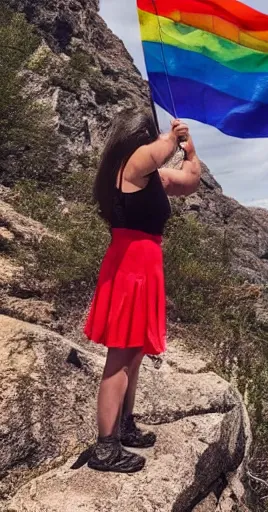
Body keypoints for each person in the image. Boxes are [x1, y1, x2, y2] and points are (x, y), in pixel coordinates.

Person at [83, 108, 201, 473]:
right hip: (132, 267)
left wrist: (191, 152)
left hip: (141, 267)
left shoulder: (147, 176)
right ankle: (106, 448)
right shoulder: (130, 167)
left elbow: (190, 181)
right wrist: (172, 137)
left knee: (133, 353)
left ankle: (124, 426)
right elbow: (157, 153)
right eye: (148, 136)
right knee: (120, 356)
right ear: (138, 136)